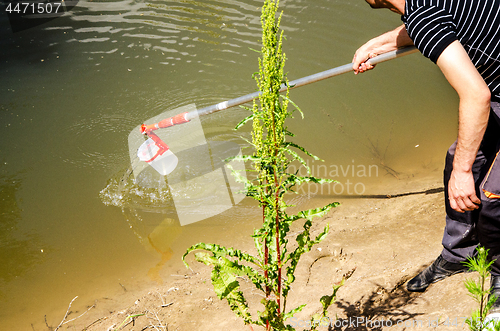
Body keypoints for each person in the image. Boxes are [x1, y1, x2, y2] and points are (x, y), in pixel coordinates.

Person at [352, 0, 500, 318]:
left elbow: (477, 96)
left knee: (492, 195)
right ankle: (459, 254)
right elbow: (438, 22)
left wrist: (462, 172)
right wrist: (379, 43)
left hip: (493, 94)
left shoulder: (423, 19)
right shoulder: (426, 10)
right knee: (459, 162)